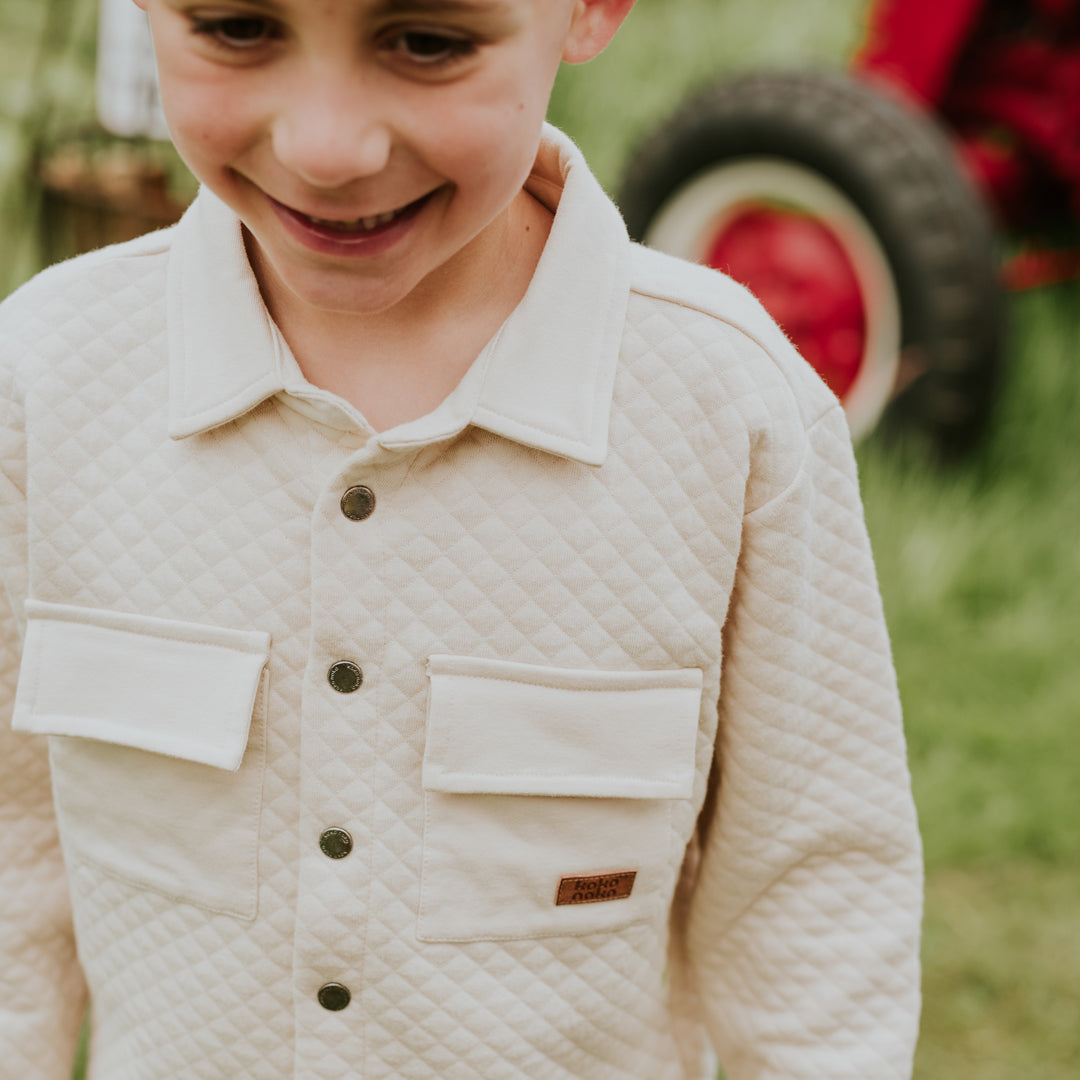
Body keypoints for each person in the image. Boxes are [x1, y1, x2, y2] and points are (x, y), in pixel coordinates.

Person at [0, 0, 923, 1076]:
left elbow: (811, 914)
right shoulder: (41, 381)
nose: (326, 148)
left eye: (426, 42)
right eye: (239, 27)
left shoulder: (735, 412)